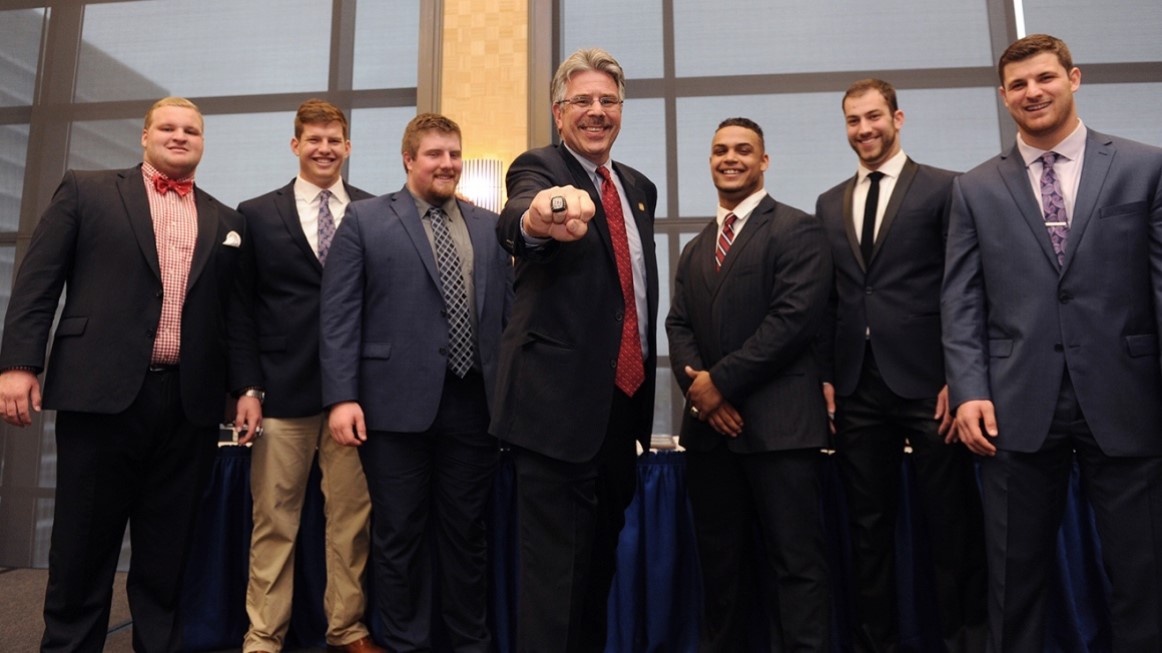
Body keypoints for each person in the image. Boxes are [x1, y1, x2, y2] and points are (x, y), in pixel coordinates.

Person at [0, 96, 256, 652]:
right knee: (83, 542)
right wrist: (19, 364)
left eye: (191, 129)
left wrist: (247, 387)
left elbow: (234, 315)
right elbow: (37, 281)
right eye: (168, 126)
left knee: (169, 549)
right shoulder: (86, 190)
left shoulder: (226, 219)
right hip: (100, 394)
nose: (180, 135)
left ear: (203, 142)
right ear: (144, 136)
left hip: (189, 403)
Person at [942, 33, 1162, 652]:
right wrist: (968, 390)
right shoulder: (975, 188)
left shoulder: (1146, 167)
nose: (1032, 92)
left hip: (1128, 400)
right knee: (1014, 585)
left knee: (1144, 578)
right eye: (1018, 84)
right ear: (1004, 96)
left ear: (1074, 78)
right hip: (1014, 407)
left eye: (1044, 78)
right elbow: (960, 300)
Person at [322, 112, 511, 653]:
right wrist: (340, 397)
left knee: (465, 534)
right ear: (409, 159)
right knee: (399, 534)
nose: (447, 164)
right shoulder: (364, 220)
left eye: (454, 153)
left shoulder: (487, 224)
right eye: (435, 154)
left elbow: (506, 314)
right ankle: (407, 642)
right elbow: (338, 316)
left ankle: (468, 643)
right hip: (390, 407)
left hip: (474, 405)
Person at [491, 48, 658, 652]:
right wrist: (546, 214)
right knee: (552, 588)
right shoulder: (537, 166)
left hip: (622, 412)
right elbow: (519, 217)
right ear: (559, 112)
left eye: (607, 101)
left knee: (595, 578)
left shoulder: (638, 188)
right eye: (582, 101)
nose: (596, 112)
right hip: (554, 414)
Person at [816, 79, 986, 652]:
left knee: (952, 527)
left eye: (873, 117)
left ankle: (964, 641)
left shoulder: (945, 188)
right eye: (852, 120)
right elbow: (833, 299)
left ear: (898, 117)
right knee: (868, 532)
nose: (863, 129)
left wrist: (960, 379)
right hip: (858, 388)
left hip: (930, 387)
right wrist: (828, 376)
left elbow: (965, 289)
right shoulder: (828, 201)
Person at [666, 117, 832, 652]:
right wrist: (705, 398)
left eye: (743, 150)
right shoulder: (695, 249)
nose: (729, 158)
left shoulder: (797, 229)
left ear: (764, 161)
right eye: (719, 150)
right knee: (721, 573)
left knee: (797, 569)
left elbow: (791, 321)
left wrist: (721, 385)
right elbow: (679, 326)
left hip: (781, 433)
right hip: (713, 440)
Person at [232, 99, 381, 653]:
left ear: (348, 146)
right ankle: (263, 636)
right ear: (295, 145)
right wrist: (247, 388)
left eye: (334, 139)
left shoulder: (374, 211)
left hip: (353, 398)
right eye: (313, 139)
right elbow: (240, 310)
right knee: (275, 522)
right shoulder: (255, 212)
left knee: (351, 523)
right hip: (280, 393)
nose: (324, 148)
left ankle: (346, 630)